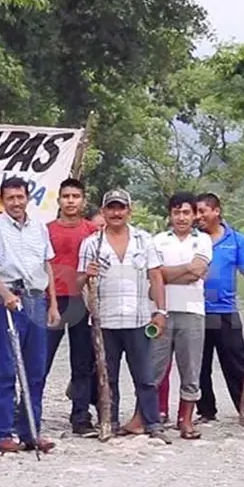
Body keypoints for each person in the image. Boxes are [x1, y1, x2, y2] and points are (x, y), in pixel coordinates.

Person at [0, 177, 61, 453]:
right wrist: (5, 294)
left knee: (36, 371)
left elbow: (47, 265)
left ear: (27, 198)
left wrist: (54, 303)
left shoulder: (39, 228)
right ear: (2, 200)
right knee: (7, 370)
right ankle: (1, 433)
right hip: (10, 300)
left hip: (37, 300)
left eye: (20, 197)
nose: (16, 202)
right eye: (10, 198)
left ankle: (31, 431)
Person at [78, 189, 171, 443]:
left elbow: (156, 276)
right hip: (104, 320)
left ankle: (152, 423)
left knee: (145, 375)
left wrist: (161, 312)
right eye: (111, 208)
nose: (116, 213)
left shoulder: (144, 240)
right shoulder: (91, 243)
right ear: (103, 211)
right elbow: (78, 284)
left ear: (129, 211)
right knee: (107, 376)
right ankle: (109, 421)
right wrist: (87, 274)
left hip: (138, 318)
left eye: (121, 208)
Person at [194, 193, 244, 423]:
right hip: (196, 310)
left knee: (235, 361)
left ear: (216, 211)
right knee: (199, 364)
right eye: (196, 211)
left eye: (202, 211)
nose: (198, 216)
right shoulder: (192, 238)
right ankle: (205, 410)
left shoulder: (236, 240)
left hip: (226, 310)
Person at [150, 192, 210, 439]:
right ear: (170, 214)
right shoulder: (158, 240)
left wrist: (164, 274)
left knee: (191, 367)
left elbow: (197, 271)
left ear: (195, 214)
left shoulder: (203, 239)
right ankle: (150, 416)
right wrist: (184, 271)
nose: (182, 217)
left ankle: (185, 420)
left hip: (192, 310)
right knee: (154, 367)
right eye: (177, 212)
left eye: (186, 212)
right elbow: (152, 275)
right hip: (160, 311)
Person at [45, 178, 100, 436]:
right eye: (66, 196)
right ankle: (28, 412)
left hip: (82, 299)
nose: (70, 201)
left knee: (82, 361)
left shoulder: (92, 231)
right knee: (41, 359)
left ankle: (80, 417)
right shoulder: (46, 230)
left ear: (83, 201)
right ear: (59, 200)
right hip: (53, 299)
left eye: (75, 196)